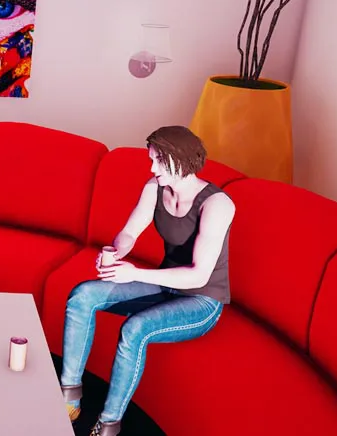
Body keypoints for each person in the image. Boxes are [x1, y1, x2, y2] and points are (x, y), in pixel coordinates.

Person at [59, 126, 235, 436]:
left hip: (202, 299)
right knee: (82, 295)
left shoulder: (217, 204)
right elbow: (130, 232)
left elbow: (199, 274)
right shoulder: (155, 188)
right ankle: (69, 398)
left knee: (135, 329)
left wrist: (134, 273)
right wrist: (116, 251)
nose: (152, 169)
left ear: (182, 159)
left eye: (159, 161)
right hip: (166, 285)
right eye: (151, 160)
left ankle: (108, 424)